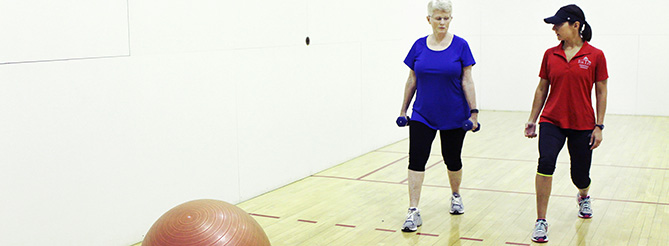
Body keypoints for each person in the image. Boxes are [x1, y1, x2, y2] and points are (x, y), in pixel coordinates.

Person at [524, 4, 608, 243]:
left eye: (558, 24)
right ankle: (541, 221)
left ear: (576, 25)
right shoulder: (550, 54)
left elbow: (601, 92)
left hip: (583, 123)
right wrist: (532, 119)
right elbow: (542, 88)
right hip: (552, 120)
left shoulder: (595, 55)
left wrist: (599, 126)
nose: (554, 28)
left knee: (580, 176)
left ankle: (583, 195)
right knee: (545, 162)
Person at [398, 0, 479, 233]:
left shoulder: (461, 46)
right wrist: (403, 110)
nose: (442, 22)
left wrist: (473, 112)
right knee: (416, 159)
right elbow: (412, 79)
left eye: (446, 18)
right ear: (429, 19)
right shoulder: (419, 46)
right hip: (423, 113)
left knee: (452, 159)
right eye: (438, 18)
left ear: (451, 18)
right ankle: (413, 210)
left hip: (454, 114)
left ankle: (455, 195)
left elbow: (467, 80)